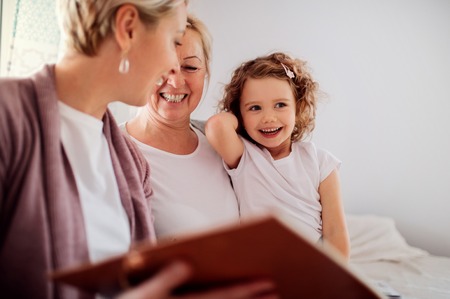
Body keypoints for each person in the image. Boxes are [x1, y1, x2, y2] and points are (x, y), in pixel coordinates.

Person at [0, 1, 277, 298]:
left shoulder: (130, 164)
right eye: (173, 40)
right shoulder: (7, 117)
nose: (174, 68)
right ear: (128, 27)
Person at [205, 52, 350, 259]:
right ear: (240, 114)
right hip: (263, 263)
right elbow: (217, 126)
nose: (268, 118)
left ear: (298, 107)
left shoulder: (321, 162)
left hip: (312, 261)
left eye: (280, 105)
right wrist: (237, 114)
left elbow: (335, 232)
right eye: (255, 108)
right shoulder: (244, 155)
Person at [122, 15, 240, 241]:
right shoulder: (113, 150)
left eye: (190, 67)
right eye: (162, 66)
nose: (176, 82)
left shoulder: (221, 142)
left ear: (205, 71)